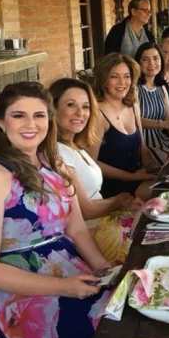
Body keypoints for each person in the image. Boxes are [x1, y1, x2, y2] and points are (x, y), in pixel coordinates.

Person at [0, 82, 110, 338]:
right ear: (0, 122)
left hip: (71, 273)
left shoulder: (54, 166)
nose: (31, 124)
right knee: (106, 328)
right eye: (19, 115)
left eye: (39, 115)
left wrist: (104, 269)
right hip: (23, 295)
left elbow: (76, 229)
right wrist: (63, 287)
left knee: (128, 307)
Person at [50, 77, 141, 263]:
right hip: (91, 232)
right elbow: (86, 210)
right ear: (53, 109)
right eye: (70, 105)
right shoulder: (59, 153)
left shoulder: (75, 146)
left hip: (104, 221)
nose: (80, 113)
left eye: (85, 107)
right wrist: (119, 199)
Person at [89, 52, 156, 199]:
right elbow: (91, 163)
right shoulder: (97, 114)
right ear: (103, 80)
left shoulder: (132, 104)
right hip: (113, 189)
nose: (122, 83)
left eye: (127, 76)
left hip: (138, 178)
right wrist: (132, 177)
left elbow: (142, 147)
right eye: (114, 76)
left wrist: (155, 168)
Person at [134, 42, 169, 165]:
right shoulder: (134, 88)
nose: (152, 64)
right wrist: (166, 124)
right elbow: (135, 120)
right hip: (143, 146)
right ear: (138, 63)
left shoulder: (161, 88)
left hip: (163, 142)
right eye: (145, 59)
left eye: (155, 58)